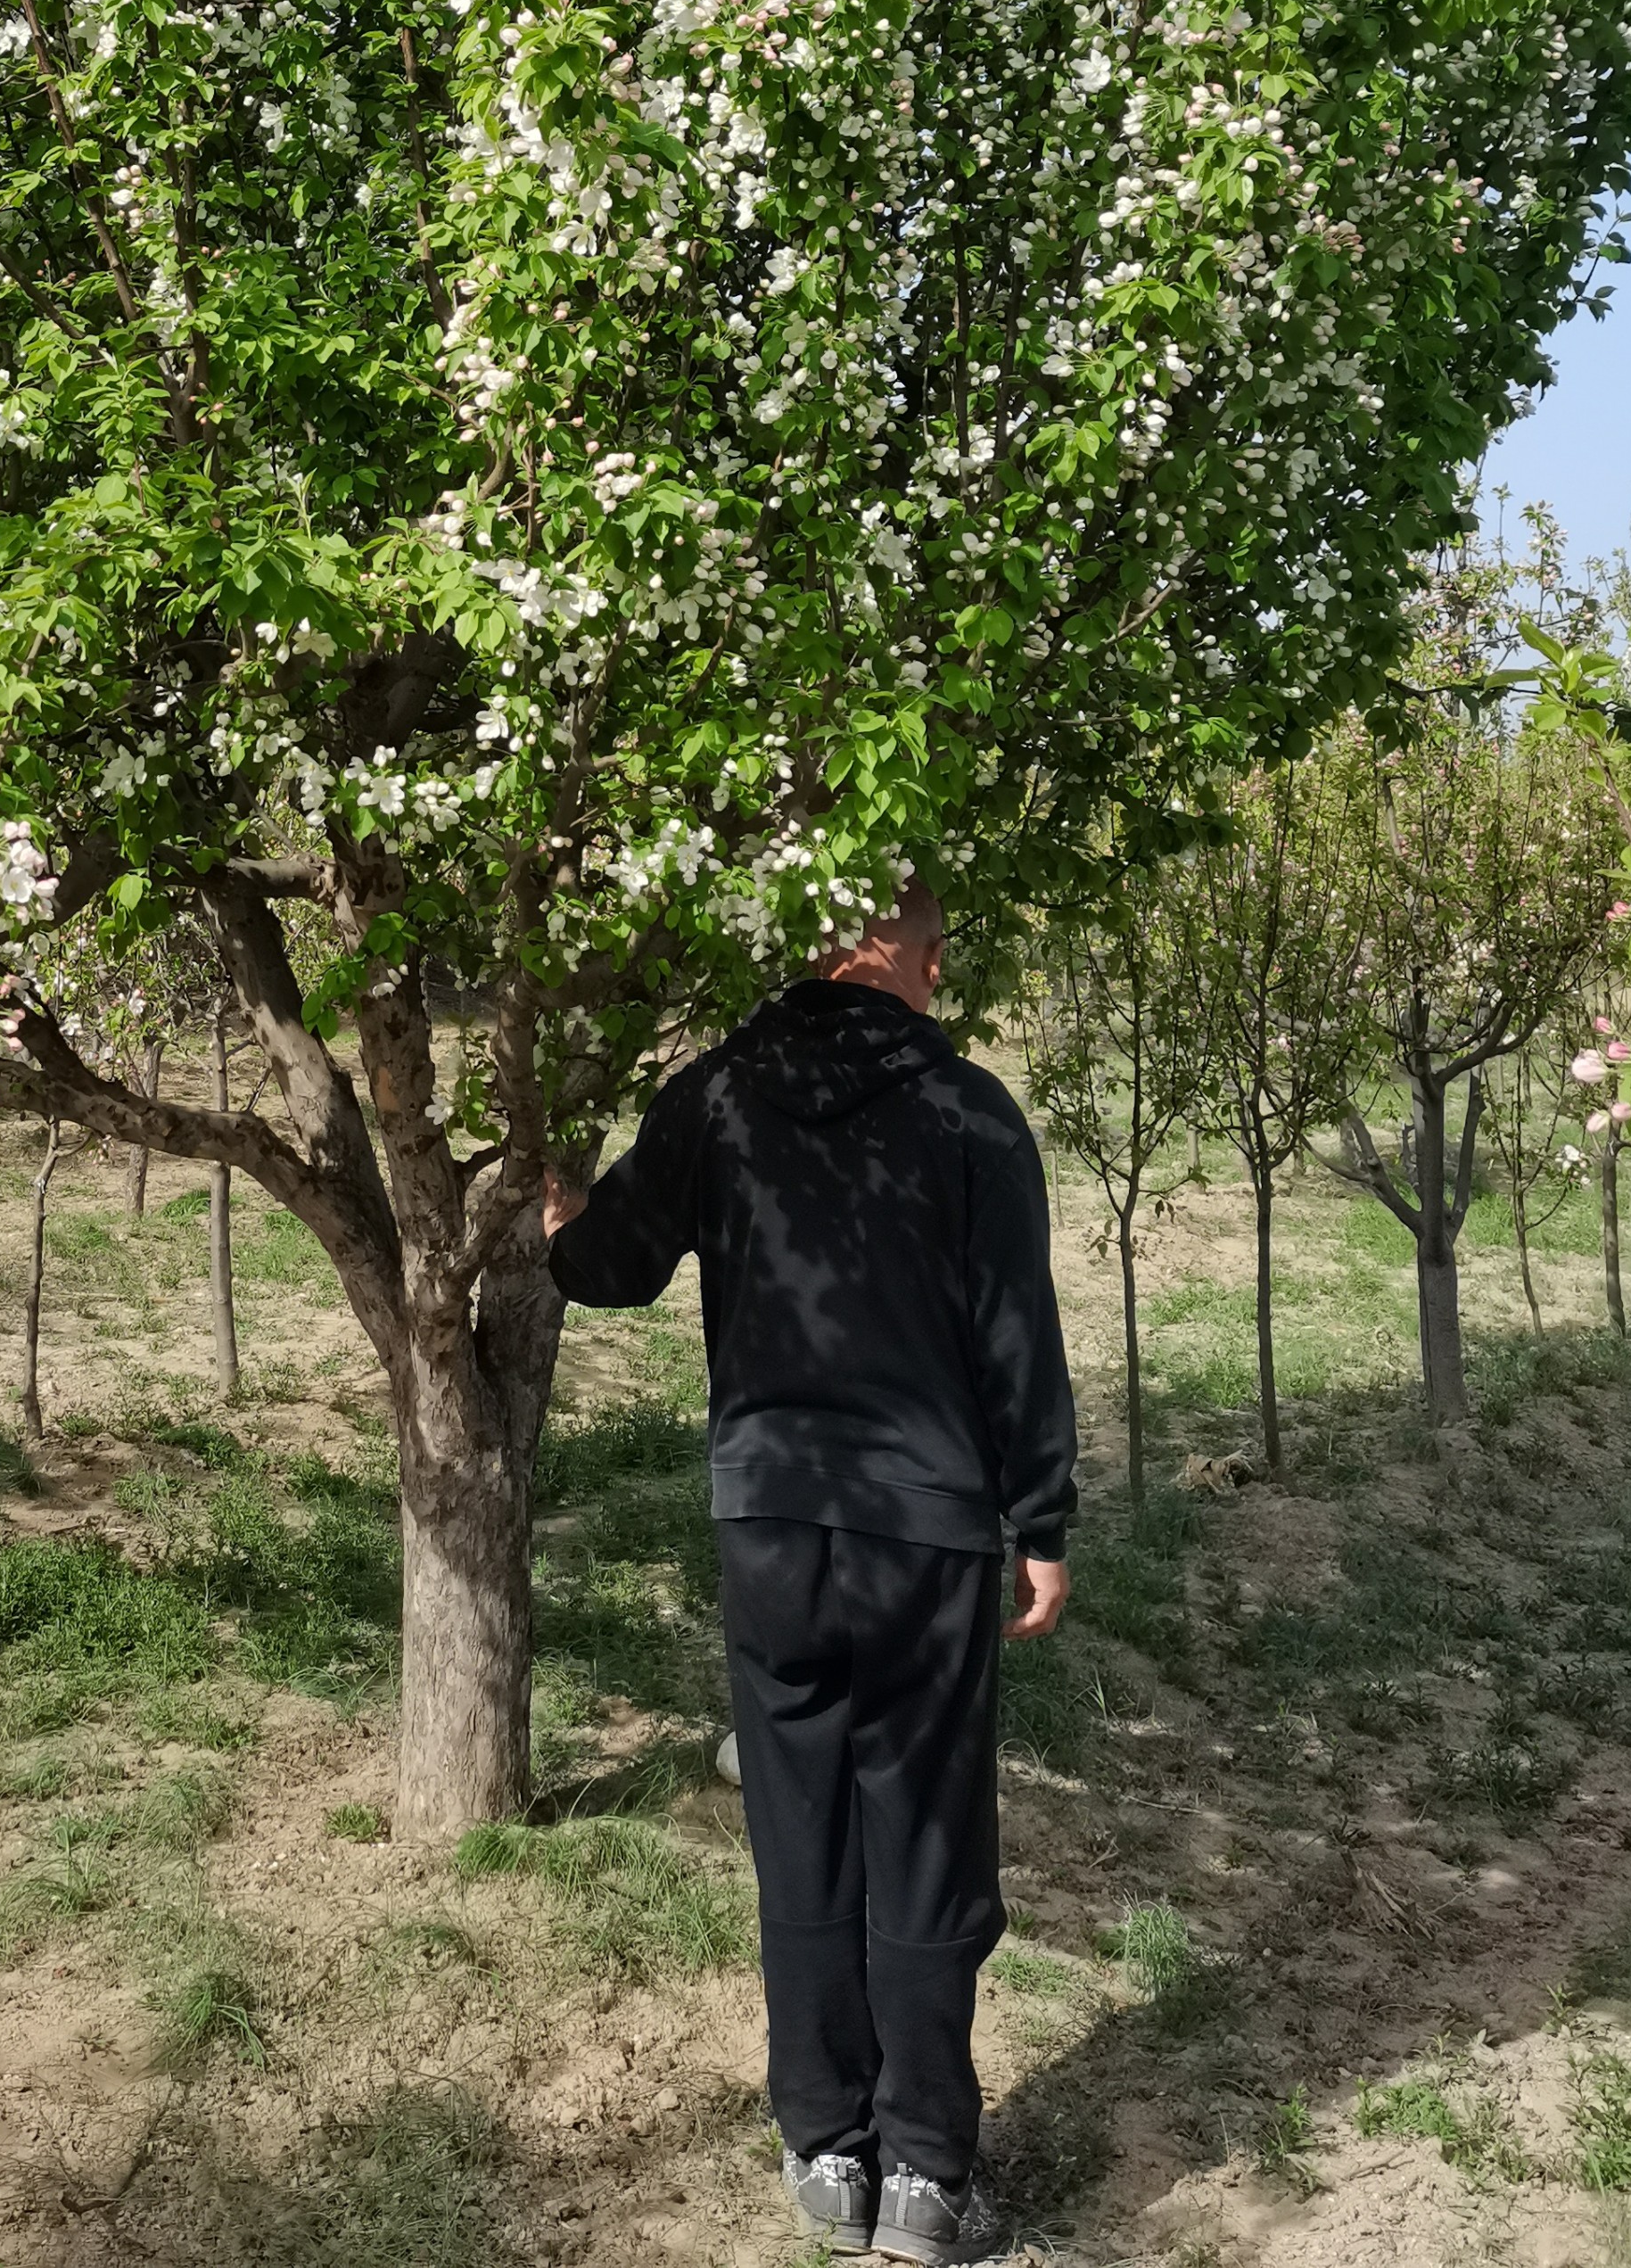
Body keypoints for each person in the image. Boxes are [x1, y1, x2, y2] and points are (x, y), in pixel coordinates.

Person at [545, 877, 1075, 2264]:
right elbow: (1018, 1335)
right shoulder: (970, 1114)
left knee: (801, 1824)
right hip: (927, 1526)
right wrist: (1043, 1520)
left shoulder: (716, 1094)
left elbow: (610, 1267)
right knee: (924, 1831)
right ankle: (925, 2176)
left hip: (773, 1521)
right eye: (941, 948)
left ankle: (824, 2148)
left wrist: (561, 1213)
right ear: (918, 951)